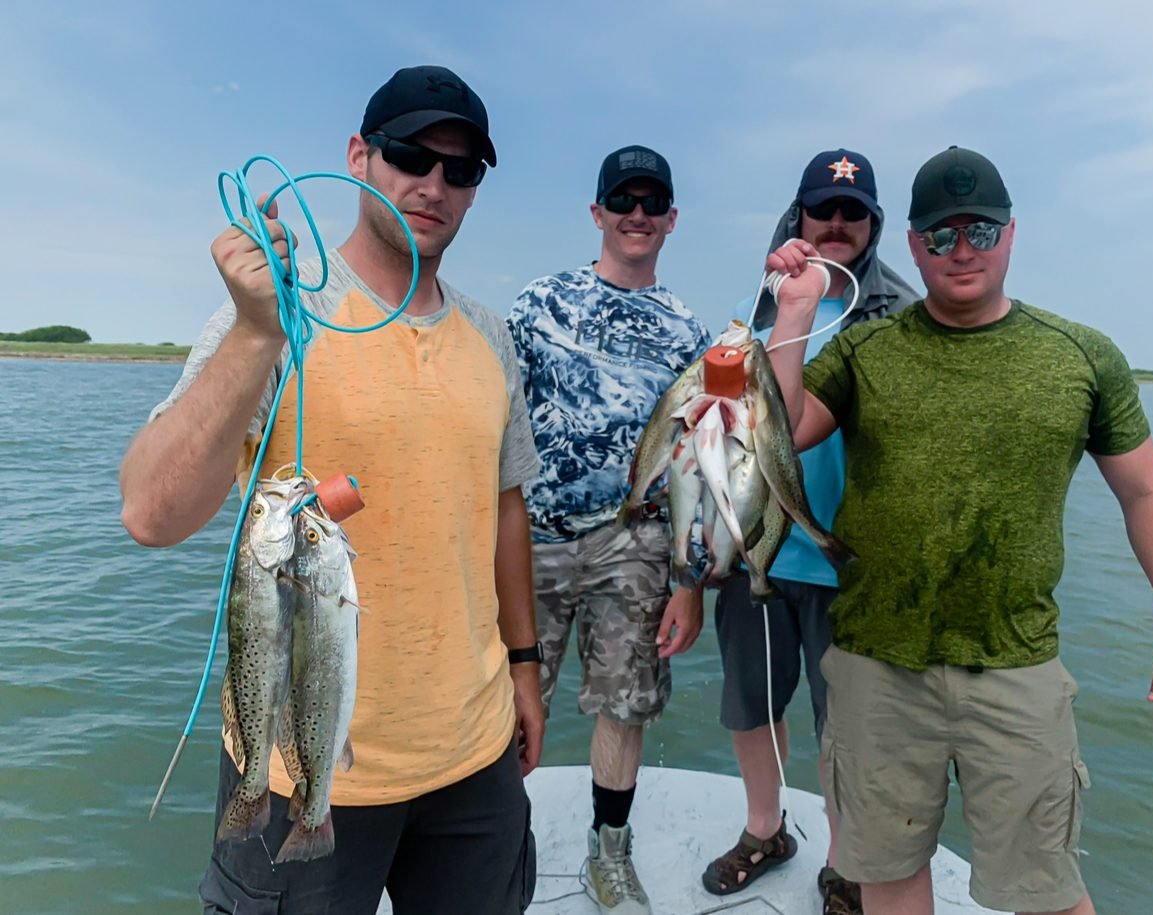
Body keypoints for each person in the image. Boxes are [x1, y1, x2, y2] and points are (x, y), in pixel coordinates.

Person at [119, 65, 545, 914]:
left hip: (476, 752)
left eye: (461, 169)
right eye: (409, 155)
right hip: (296, 763)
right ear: (359, 156)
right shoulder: (276, 314)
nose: (434, 184)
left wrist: (526, 667)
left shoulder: (491, 337)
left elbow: (505, 508)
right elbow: (151, 514)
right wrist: (254, 330)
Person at [760, 146, 1153, 915]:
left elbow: (1145, 491)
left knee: (1049, 891)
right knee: (886, 876)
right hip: (876, 665)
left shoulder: (1082, 356)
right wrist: (796, 312)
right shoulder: (865, 349)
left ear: (1011, 232)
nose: (961, 249)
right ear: (912, 244)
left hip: (1017, 664)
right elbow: (779, 432)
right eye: (941, 234)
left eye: (980, 230)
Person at [701, 149, 917, 915]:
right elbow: (717, 423)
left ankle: (844, 861)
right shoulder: (758, 306)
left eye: (853, 212)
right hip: (756, 550)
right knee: (751, 708)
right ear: (799, 216)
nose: (836, 223)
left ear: (874, 225)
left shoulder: (901, 316)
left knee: (844, 730)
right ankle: (766, 830)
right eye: (823, 209)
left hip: (849, 564)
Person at [506, 145, 711, 914]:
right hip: (534, 536)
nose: (637, 214)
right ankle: (495, 844)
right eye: (622, 200)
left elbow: (697, 464)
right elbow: (489, 417)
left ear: (671, 220)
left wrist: (690, 581)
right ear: (597, 212)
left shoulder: (688, 332)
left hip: (637, 543)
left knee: (627, 705)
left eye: (651, 203)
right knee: (504, 700)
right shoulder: (539, 303)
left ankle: (609, 849)